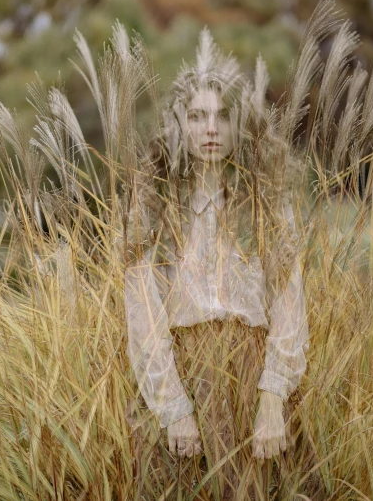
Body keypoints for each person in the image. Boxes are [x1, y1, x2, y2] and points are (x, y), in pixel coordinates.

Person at [125, 30, 308, 499]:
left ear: (240, 124)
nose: (210, 129)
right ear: (178, 124)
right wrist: (174, 407)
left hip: (254, 375)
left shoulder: (268, 200)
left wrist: (272, 399)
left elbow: (289, 302)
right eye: (197, 116)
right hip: (182, 374)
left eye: (223, 116)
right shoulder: (154, 203)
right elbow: (143, 312)